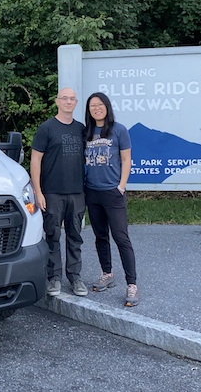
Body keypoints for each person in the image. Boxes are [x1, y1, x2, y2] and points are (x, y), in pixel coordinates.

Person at [83, 92, 139, 307]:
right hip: (92, 192)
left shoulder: (119, 130)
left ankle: (132, 284)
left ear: (107, 107)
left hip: (112, 192)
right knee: (100, 236)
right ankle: (107, 273)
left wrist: (121, 186)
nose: (96, 108)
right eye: (92, 106)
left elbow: (126, 159)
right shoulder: (86, 132)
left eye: (100, 105)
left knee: (121, 237)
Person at [30, 87, 87, 297]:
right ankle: (54, 278)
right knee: (52, 236)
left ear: (76, 102)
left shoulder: (81, 129)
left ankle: (75, 277)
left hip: (77, 192)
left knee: (75, 236)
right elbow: (35, 160)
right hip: (52, 192)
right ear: (57, 101)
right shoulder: (46, 128)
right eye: (65, 98)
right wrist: (38, 191)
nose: (68, 102)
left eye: (72, 99)